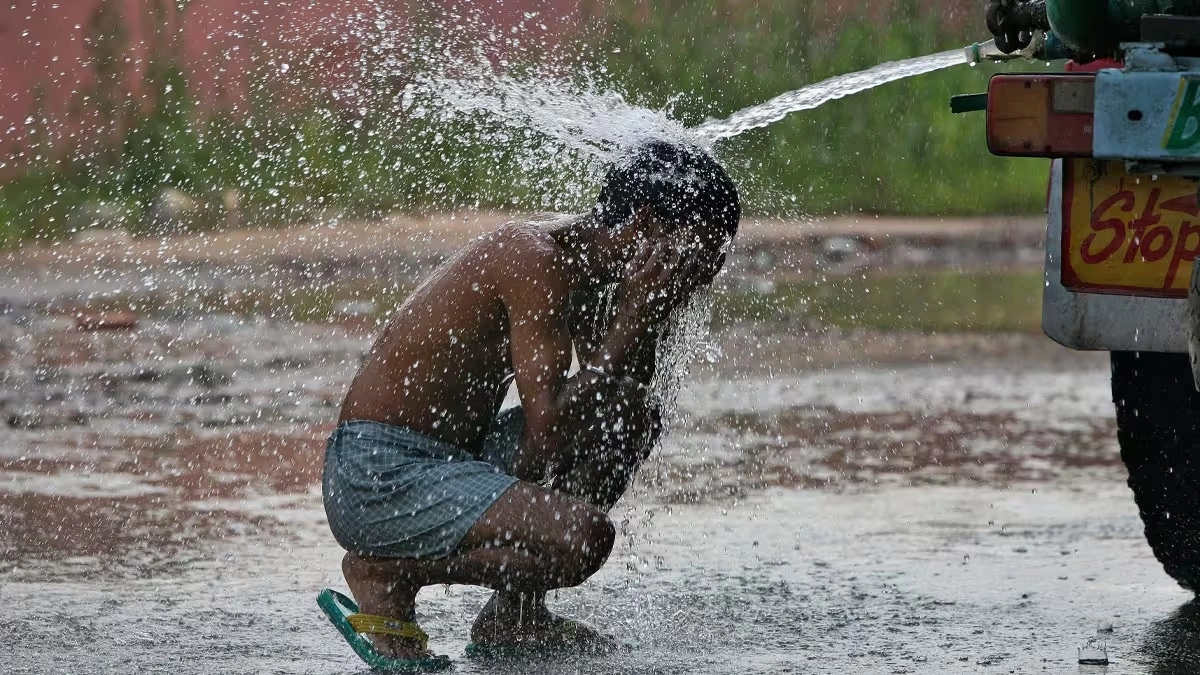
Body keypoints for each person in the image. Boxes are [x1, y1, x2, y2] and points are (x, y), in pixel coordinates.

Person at [320, 140, 740, 664]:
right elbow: (550, 430)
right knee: (583, 539)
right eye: (704, 249)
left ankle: (514, 618)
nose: (712, 268)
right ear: (646, 227)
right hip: (380, 475)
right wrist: (633, 317)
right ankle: (386, 571)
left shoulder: (599, 270)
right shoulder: (534, 260)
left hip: (454, 464)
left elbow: (614, 396)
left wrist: (643, 317)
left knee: (632, 415)